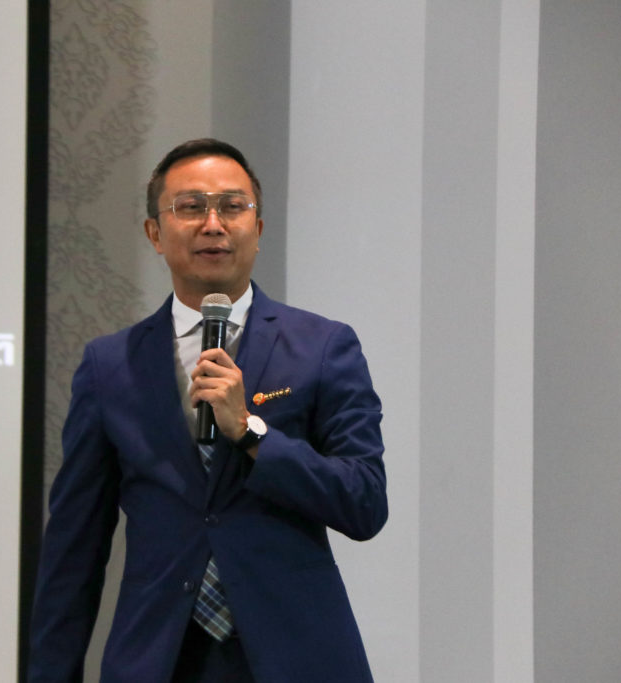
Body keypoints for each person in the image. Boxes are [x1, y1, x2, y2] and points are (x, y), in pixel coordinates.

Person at [28, 138, 387, 682]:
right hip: (158, 658)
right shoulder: (109, 366)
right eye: (191, 206)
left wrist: (252, 433)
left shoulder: (322, 346)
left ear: (257, 229)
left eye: (232, 206)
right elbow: (74, 549)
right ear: (155, 233)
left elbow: (364, 503)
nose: (213, 224)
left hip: (297, 656)